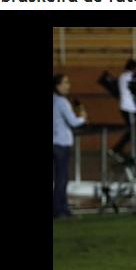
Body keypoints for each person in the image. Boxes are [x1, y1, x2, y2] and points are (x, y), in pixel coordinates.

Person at [52, 74, 86, 219]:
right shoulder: (62, 102)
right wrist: (83, 116)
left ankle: (61, 208)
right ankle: (60, 209)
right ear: (57, 85)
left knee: (59, 177)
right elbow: (74, 122)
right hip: (61, 143)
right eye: (65, 82)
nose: (68, 85)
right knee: (62, 178)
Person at [110, 58, 136, 162]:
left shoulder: (122, 76)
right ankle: (117, 149)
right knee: (133, 131)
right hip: (129, 107)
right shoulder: (129, 76)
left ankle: (120, 149)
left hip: (125, 106)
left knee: (133, 130)